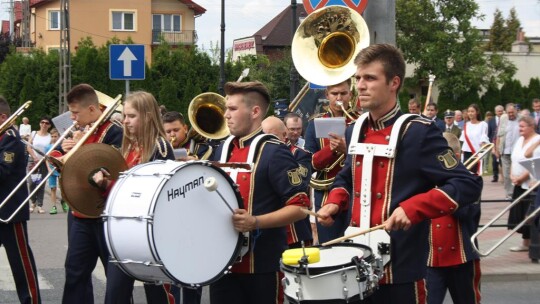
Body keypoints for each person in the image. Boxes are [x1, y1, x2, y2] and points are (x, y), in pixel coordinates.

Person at [317, 44, 483, 304]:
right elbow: (347, 177)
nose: (360, 85)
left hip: (402, 270)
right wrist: (335, 202)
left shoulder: (418, 132)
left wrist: (414, 207)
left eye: (370, 78)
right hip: (357, 263)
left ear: (394, 82)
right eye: (358, 78)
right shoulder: (354, 130)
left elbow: (467, 183)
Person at [210, 81, 310, 304]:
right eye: (227, 108)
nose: (226, 115)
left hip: (261, 268)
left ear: (255, 112)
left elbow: (301, 208)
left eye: (233, 109)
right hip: (221, 267)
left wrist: (255, 221)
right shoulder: (222, 149)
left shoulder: (275, 153)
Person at [93, 91, 176, 303]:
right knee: (115, 294)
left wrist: (111, 184)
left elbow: (157, 192)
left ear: (147, 116)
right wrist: (105, 183)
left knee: (158, 295)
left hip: (152, 233)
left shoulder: (160, 147)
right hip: (125, 230)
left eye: (131, 116)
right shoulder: (129, 147)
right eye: (125, 115)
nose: (124, 121)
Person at [60, 84, 123, 304]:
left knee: (115, 277)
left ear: (93, 110)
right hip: (80, 215)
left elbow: (112, 168)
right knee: (75, 272)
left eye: (76, 112)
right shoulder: (85, 131)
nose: (72, 117)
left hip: (103, 214)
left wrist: (82, 147)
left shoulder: (114, 131)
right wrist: (67, 154)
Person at [426, 132, 482, 304]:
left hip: (462, 258)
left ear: (456, 156)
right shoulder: (426, 181)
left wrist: (447, 186)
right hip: (431, 259)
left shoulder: (471, 181)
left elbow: (465, 213)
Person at [305, 78, 359, 243]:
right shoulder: (315, 123)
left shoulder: (360, 122)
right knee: (329, 244)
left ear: (350, 95)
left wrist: (346, 149)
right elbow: (310, 164)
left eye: (343, 93)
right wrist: (331, 150)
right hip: (326, 192)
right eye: (334, 93)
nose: (339, 98)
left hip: (354, 190)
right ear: (327, 95)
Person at [0, 97, 41, 304]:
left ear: (3, 117)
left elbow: (3, 172)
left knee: (20, 262)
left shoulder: (11, 137)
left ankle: (31, 301)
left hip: (9, 210)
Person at [262, 116, 313, 248]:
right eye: (263, 135)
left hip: (295, 229)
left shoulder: (301, 154)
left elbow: (300, 182)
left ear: (284, 135)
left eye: (271, 136)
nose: (265, 140)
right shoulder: (258, 155)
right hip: (268, 228)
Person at [507, 116, 540, 252]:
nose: (519, 129)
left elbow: (533, 161)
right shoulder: (520, 139)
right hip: (518, 182)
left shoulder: (537, 140)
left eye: (522, 126)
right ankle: (526, 243)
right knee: (520, 213)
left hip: (530, 183)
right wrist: (512, 175)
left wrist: (522, 177)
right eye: (519, 126)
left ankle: (531, 244)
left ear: (532, 127)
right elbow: (514, 159)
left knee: (530, 214)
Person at [494, 103, 520, 199]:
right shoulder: (503, 119)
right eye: (509, 112)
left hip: (517, 152)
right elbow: (499, 135)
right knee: (506, 174)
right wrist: (497, 149)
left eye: (512, 112)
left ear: (516, 111)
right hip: (505, 151)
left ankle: (517, 193)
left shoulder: (521, 119)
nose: (511, 114)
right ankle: (509, 194)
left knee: (517, 173)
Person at [27, 116, 52, 214]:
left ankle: (40, 205)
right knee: (32, 182)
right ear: (40, 123)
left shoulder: (50, 137)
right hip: (33, 160)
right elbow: (29, 147)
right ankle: (33, 202)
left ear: (49, 125)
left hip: (43, 161)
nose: (44, 124)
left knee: (41, 183)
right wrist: (34, 157)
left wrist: (44, 159)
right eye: (42, 122)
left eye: (46, 123)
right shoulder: (33, 133)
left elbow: (50, 150)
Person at [460, 103, 490, 175]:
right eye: (469, 111)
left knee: (474, 175)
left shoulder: (483, 124)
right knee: (466, 175)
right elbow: (463, 141)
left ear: (477, 112)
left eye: (472, 111)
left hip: (476, 154)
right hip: (466, 153)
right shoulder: (466, 125)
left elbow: (483, 139)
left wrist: (482, 150)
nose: (470, 113)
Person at [45, 128, 67, 214]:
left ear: (58, 136)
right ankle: (53, 206)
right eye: (52, 136)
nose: (54, 138)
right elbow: (46, 159)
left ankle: (63, 201)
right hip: (51, 170)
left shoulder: (61, 146)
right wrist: (49, 169)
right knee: (53, 188)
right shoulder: (48, 147)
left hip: (60, 169)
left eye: (55, 136)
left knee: (62, 188)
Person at [488, 105, 504, 183]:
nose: (500, 112)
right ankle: (495, 176)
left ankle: (503, 176)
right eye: (498, 111)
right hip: (493, 143)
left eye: (501, 111)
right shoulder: (491, 121)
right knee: (494, 161)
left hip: (502, 143)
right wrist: (490, 144)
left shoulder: (505, 119)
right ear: (495, 112)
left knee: (502, 161)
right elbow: (489, 133)